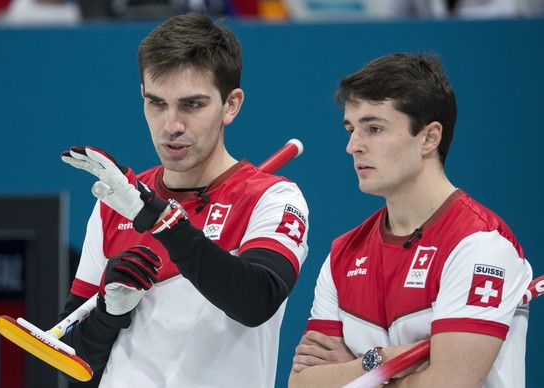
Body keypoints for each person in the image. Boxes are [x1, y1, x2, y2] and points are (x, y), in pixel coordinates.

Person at [59, 12, 309, 388]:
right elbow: (72, 359)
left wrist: (160, 220)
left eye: (192, 105)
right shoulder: (117, 199)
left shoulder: (273, 197)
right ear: (142, 96)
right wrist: (110, 313)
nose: (171, 125)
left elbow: (256, 300)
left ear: (231, 105)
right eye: (157, 103)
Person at [289, 52, 532, 387]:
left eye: (374, 128)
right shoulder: (342, 254)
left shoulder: (481, 245)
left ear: (429, 138)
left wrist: (354, 370)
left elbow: (449, 385)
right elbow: (301, 383)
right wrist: (380, 362)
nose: (353, 146)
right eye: (351, 129)